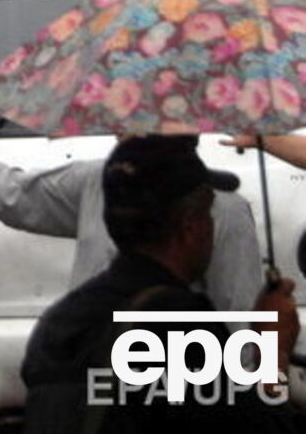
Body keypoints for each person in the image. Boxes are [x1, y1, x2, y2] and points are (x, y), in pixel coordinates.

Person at [21, 135, 300, 432]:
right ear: (190, 225)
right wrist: (273, 353)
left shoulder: (60, 321)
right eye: (209, 211)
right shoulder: (180, 329)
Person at [0, 105, 264, 315]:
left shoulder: (223, 213)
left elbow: (240, 329)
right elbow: (17, 195)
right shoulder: (100, 182)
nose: (118, 129)